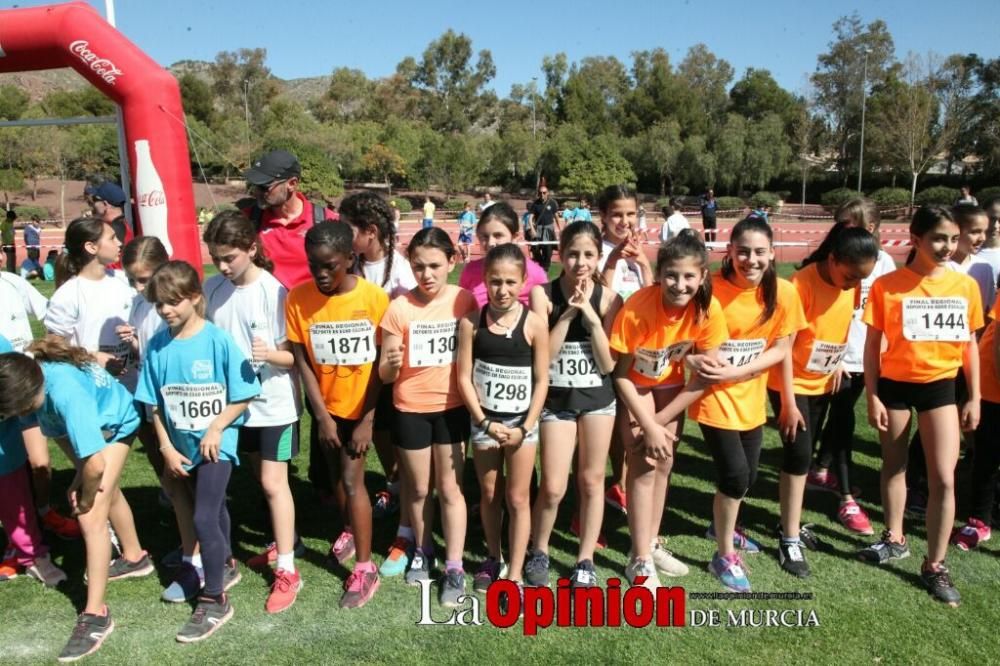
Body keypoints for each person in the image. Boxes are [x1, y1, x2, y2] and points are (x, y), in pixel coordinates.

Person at [859, 205, 984, 608]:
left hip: (940, 389)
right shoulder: (888, 285)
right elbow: (873, 345)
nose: (947, 246)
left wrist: (975, 396)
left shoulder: (964, 286)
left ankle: (935, 563)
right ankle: (894, 538)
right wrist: (873, 394)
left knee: (943, 479)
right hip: (895, 386)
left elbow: (970, 346)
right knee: (894, 466)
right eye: (938, 239)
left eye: (952, 238)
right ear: (915, 240)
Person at [1, 336, 150, 661]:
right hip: (84, 426)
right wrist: (81, 478)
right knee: (105, 493)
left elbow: (95, 464)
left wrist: (84, 492)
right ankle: (136, 557)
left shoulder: (65, 394)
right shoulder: (30, 382)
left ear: (23, 403)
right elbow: (88, 465)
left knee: (90, 513)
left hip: (116, 424)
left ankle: (96, 615)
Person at [136, 261, 259, 641]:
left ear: (193, 298)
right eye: (159, 304)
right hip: (181, 447)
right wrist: (166, 447)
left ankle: (214, 597)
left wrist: (217, 427)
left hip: (217, 446)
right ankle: (225, 564)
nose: (165, 310)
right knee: (214, 508)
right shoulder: (157, 346)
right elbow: (152, 404)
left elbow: (245, 392)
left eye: (172, 302)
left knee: (204, 516)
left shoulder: (217, 340)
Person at [684, 217, 805, 591]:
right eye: (742, 252)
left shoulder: (782, 293)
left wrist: (787, 400)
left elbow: (783, 349)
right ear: (730, 251)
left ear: (772, 254)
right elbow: (682, 339)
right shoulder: (710, 290)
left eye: (759, 252)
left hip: (750, 399)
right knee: (735, 476)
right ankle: (723, 555)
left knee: (747, 478)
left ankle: (719, 526)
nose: (750, 260)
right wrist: (693, 362)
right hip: (712, 397)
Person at [610, 232, 727, 589]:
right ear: (660, 273)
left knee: (664, 462)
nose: (680, 284)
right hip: (636, 385)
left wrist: (655, 425)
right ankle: (639, 559)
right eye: (672, 275)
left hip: (672, 386)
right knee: (644, 464)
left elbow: (704, 377)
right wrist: (646, 423)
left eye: (689, 276)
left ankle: (651, 541)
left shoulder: (708, 309)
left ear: (702, 276)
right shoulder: (638, 308)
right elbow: (620, 375)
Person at [203, 212, 303, 614]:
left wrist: (271, 355)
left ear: (251, 249)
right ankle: (278, 545)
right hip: (232, 408)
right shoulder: (211, 290)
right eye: (216, 258)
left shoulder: (274, 291)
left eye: (230, 257)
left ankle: (288, 568)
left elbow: (293, 357)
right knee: (251, 480)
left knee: (272, 482)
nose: (223, 267)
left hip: (274, 405)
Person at [766, 223, 878, 578]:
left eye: (861, 278)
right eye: (848, 276)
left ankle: (791, 523)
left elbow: (840, 326)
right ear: (832, 260)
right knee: (799, 457)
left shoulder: (851, 282)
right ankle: (789, 537)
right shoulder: (800, 286)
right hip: (790, 382)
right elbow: (783, 346)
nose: (853, 284)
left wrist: (839, 362)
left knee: (805, 453)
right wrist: (787, 401)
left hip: (823, 381)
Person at [287, 221, 388, 609]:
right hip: (326, 409)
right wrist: (322, 416)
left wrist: (367, 419)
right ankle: (350, 529)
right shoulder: (298, 299)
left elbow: (381, 364)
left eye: (330, 265)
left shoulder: (374, 299)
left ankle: (365, 568)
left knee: (351, 481)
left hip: (361, 408)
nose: (321, 274)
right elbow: (302, 361)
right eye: (314, 265)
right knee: (336, 480)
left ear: (350, 258)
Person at [379, 227, 477, 606]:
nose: (427, 275)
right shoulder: (399, 308)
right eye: (419, 267)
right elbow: (386, 376)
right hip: (411, 409)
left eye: (435, 266)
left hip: (452, 408)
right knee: (418, 489)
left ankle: (453, 565)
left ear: (452, 262)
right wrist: (389, 364)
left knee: (451, 489)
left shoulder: (464, 301)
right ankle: (423, 549)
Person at [528, 221, 622, 588]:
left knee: (591, 480)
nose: (580, 262)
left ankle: (585, 558)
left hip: (598, 399)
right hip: (557, 401)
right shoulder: (543, 294)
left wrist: (592, 317)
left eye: (588, 255)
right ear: (560, 254)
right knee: (553, 486)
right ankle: (540, 549)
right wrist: (568, 313)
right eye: (572, 254)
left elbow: (608, 364)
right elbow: (545, 357)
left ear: (598, 257)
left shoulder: (611, 299)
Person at [457, 243, 549, 599]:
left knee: (518, 497)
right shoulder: (472, 322)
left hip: (521, 426)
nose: (502, 290)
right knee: (490, 494)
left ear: (523, 281)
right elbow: (464, 377)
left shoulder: (534, 324)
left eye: (511, 282)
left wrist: (524, 427)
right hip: (485, 425)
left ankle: (514, 569)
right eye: (495, 281)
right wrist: (483, 422)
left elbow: (542, 380)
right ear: (485, 280)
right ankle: (492, 557)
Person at [341, 191, 417, 576]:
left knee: (402, 445)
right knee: (378, 439)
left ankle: (406, 527)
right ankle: (391, 490)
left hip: (395, 375)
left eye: (348, 229)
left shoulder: (400, 271)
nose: (342, 235)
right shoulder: (348, 265)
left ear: (370, 232)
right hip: (356, 376)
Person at [809, 199, 895, 535]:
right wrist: (837, 357)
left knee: (842, 422)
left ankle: (830, 480)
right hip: (830, 361)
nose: (840, 229)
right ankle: (817, 479)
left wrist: (879, 352)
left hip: (863, 358)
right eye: (838, 222)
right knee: (822, 423)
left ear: (870, 227)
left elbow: (884, 314)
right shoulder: (826, 262)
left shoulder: (884, 264)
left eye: (849, 223)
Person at [598, 184, 654, 516]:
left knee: (630, 424)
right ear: (603, 217)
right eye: (617, 214)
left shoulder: (639, 253)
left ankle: (621, 486)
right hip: (606, 354)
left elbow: (655, 299)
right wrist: (616, 258)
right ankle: (610, 485)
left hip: (639, 354)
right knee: (608, 429)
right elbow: (600, 298)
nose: (624, 220)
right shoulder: (597, 250)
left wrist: (645, 265)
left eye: (630, 213)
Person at [0, 335, 68, 587]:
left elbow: (17, 389)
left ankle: (33, 556)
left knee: (15, 504)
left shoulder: (1, 345)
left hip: (3, 447)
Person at [44, 217, 136, 387]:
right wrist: (93, 357)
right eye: (112, 238)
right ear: (91, 247)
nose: (120, 243)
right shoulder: (68, 295)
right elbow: (51, 349)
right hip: (93, 390)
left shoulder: (124, 280)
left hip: (132, 388)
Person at [242, 149, 338, 290]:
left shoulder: (328, 221)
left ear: (292, 184)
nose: (257, 192)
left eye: (264, 187)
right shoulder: (246, 220)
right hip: (265, 310)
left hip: (310, 309)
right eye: (255, 186)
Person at [459, 203, 548, 308]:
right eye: (485, 236)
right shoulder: (470, 271)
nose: (491, 242)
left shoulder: (535, 273)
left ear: (514, 237)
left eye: (498, 235)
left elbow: (543, 319)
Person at [84, 182, 133, 257]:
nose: (93, 204)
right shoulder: (123, 224)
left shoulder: (109, 231)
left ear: (105, 204)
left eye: (95, 199)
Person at [529, 185, 560, 271]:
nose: (542, 194)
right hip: (538, 228)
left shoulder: (552, 203)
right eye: (540, 193)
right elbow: (530, 218)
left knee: (548, 248)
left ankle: (546, 266)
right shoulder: (535, 204)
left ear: (547, 193)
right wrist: (532, 229)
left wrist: (560, 228)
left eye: (544, 193)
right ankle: (541, 262)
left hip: (548, 228)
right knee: (535, 248)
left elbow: (556, 216)